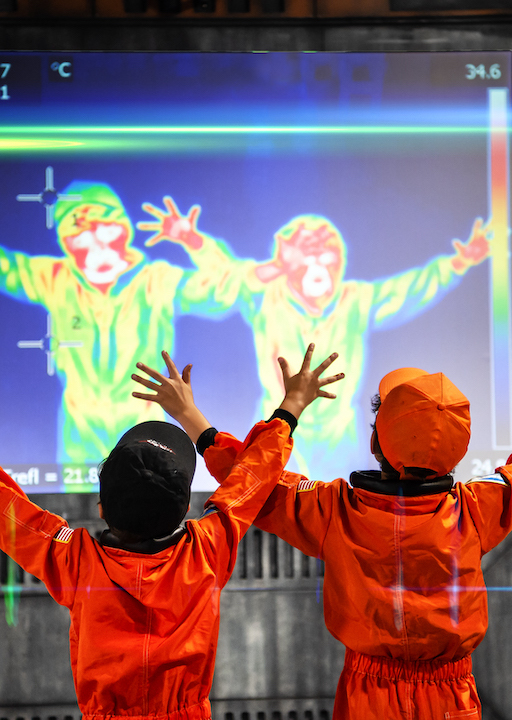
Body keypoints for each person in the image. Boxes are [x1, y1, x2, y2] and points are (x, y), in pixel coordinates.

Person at [143, 362, 512, 719]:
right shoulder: (479, 508)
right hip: (453, 699)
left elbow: (251, 478)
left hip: (368, 699)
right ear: (459, 448)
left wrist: (191, 417)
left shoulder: (333, 511)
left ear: (374, 442)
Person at [0, 343, 342, 720]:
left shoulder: (74, 561)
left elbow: (9, 512)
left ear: (101, 507)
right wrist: (290, 406)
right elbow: (253, 476)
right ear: (184, 509)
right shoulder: (206, 551)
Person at [142, 202, 491, 480]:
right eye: (309, 253)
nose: (319, 264)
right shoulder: (265, 292)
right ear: (288, 261)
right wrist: (192, 240)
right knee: (258, 483)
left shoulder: (355, 297)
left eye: (328, 253)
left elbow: (409, 289)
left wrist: (458, 262)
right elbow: (227, 271)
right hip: (277, 429)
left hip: (337, 436)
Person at [0, 183, 229, 465]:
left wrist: (193, 241)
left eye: (107, 229)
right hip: (81, 434)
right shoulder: (55, 278)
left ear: (123, 229)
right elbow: (6, 267)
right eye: (81, 235)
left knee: (150, 503)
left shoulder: (156, 280)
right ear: (66, 242)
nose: (97, 244)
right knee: (73, 506)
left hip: (145, 431)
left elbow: (222, 292)